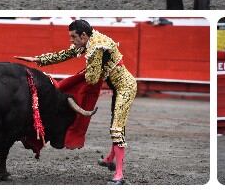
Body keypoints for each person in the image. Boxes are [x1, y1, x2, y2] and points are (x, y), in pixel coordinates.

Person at [16, 20, 137, 184]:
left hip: (126, 87)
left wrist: (83, 73)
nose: (71, 40)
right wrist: (37, 59)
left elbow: (92, 78)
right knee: (115, 124)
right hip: (116, 85)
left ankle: (119, 176)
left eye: (73, 37)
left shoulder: (97, 47)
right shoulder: (89, 41)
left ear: (84, 35)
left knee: (117, 128)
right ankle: (109, 159)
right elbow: (65, 54)